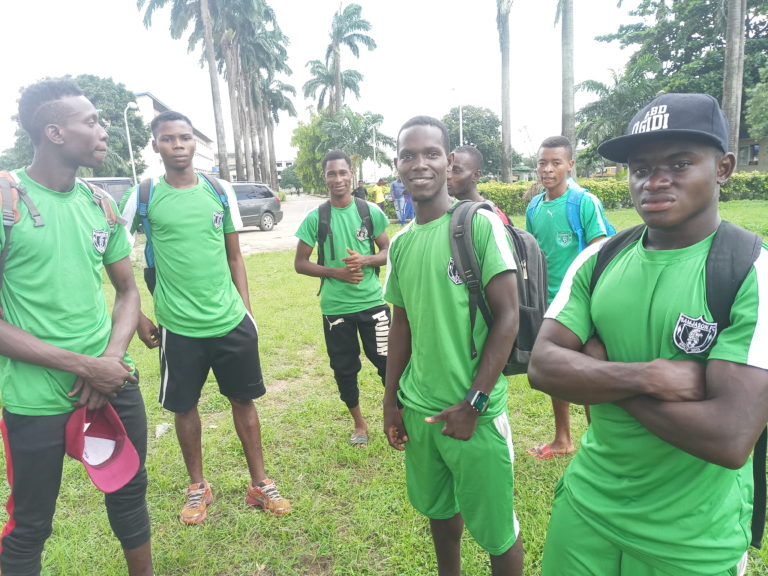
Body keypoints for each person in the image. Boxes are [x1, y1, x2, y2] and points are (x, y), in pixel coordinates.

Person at [529, 93, 768, 576]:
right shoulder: (599, 259)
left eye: (679, 164)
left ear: (723, 168)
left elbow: (728, 437)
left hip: (691, 539)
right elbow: (542, 366)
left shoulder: (749, 271)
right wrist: (647, 376)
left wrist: (600, 374)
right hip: (586, 508)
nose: (654, 181)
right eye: (640, 168)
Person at [0, 79, 155, 575]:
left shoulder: (98, 203)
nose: (102, 130)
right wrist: (84, 366)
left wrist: (109, 360)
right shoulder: (7, 201)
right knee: (30, 525)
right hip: (36, 399)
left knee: (130, 494)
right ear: (55, 133)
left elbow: (128, 292)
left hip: (112, 384)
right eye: (90, 122)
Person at [120, 110, 290, 525]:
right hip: (178, 327)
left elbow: (235, 256)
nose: (178, 145)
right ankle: (198, 487)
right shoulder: (143, 195)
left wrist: (246, 312)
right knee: (185, 407)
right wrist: (138, 317)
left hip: (230, 321)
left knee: (243, 400)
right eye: (168, 138)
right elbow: (114, 257)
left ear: (195, 142)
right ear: (155, 145)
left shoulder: (218, 189)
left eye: (185, 137)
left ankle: (260, 484)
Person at [383, 116, 523, 575]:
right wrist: (391, 401)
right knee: (441, 517)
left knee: (499, 533)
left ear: (448, 160)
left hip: (474, 414)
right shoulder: (401, 244)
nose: (419, 164)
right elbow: (401, 325)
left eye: (430, 153)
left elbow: (508, 316)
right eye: (408, 155)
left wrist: (474, 402)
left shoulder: (477, 224)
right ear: (397, 164)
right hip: (420, 409)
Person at [294, 150, 391, 448]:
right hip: (336, 309)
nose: (338, 179)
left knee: (390, 364)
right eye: (331, 173)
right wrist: (337, 273)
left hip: (373, 304)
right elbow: (300, 263)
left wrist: (365, 260)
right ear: (325, 177)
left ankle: (397, 415)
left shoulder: (370, 212)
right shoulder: (316, 218)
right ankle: (359, 424)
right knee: (344, 368)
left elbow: (389, 252)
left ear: (352, 174)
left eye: (342, 172)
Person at [524, 136, 609, 460]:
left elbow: (600, 250)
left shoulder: (584, 202)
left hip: (581, 302)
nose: (547, 169)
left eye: (555, 163)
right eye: (542, 163)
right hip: (547, 303)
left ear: (570, 165)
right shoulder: (534, 206)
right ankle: (562, 439)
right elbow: (533, 252)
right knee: (556, 370)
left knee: (588, 369)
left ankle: (598, 441)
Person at [447, 145, 510, 224]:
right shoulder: (446, 210)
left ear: (476, 175)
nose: (447, 175)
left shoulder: (492, 216)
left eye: (456, 171)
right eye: (447, 169)